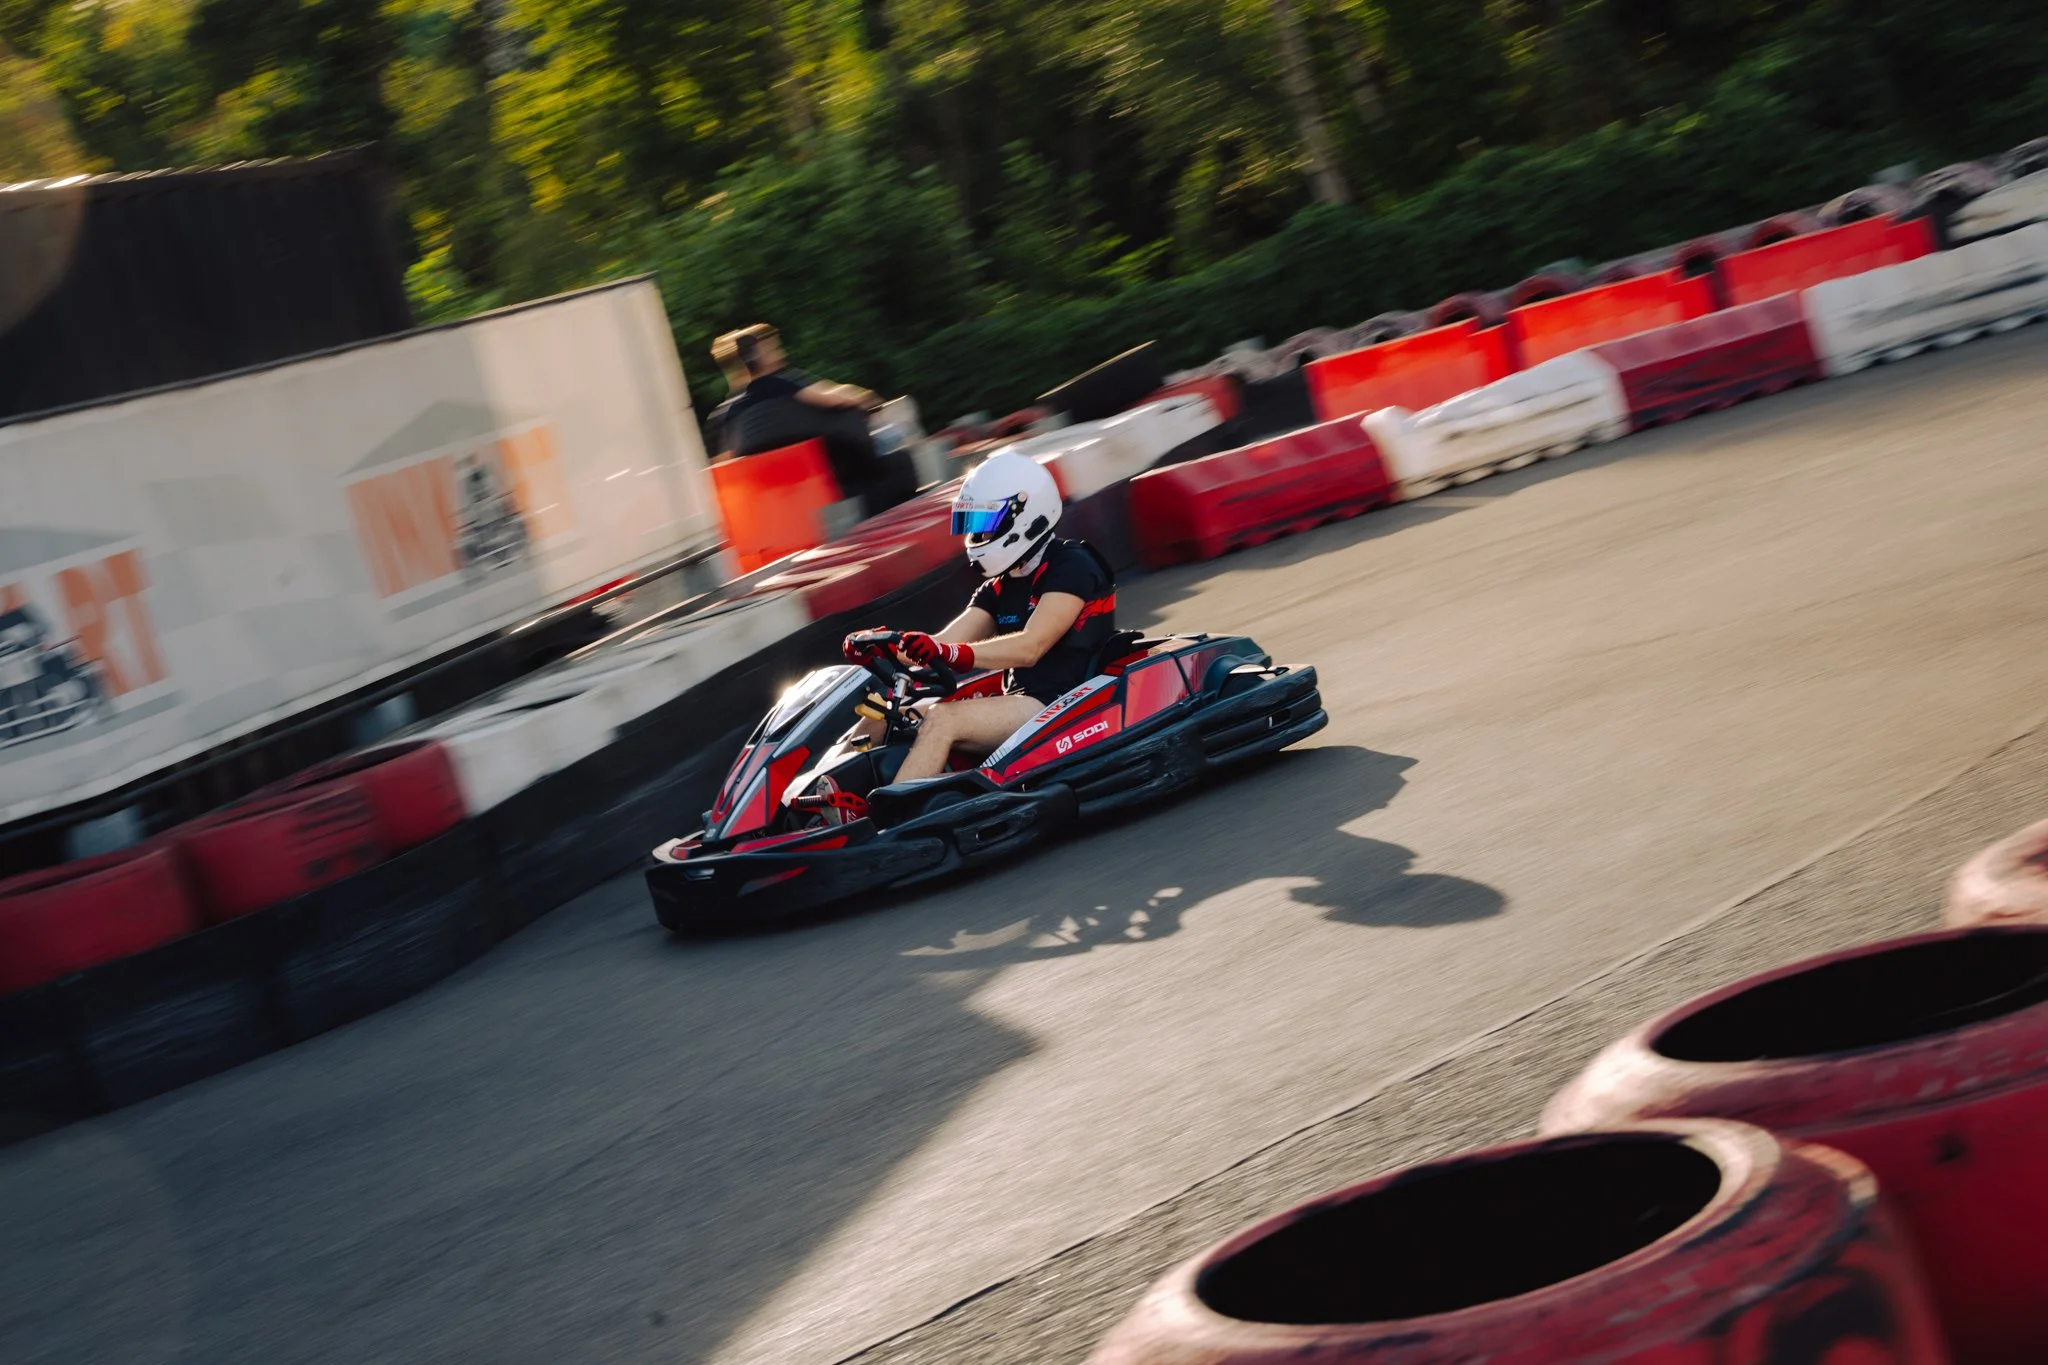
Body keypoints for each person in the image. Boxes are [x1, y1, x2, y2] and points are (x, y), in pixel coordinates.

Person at [844, 450, 1117, 786]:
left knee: (944, 719)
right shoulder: (1000, 586)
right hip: (1017, 702)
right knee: (879, 715)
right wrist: (886, 646)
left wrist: (950, 653)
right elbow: (942, 644)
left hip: (1064, 702)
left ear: (1026, 515)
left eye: (987, 523)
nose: (980, 535)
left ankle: (891, 813)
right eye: (975, 524)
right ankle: (824, 802)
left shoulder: (1071, 564)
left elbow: (1031, 647)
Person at [706, 323, 880, 458]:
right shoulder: (782, 385)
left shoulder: (725, 417)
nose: (782, 355)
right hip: (822, 467)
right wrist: (867, 400)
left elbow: (724, 460)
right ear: (756, 357)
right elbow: (836, 399)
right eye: (773, 349)